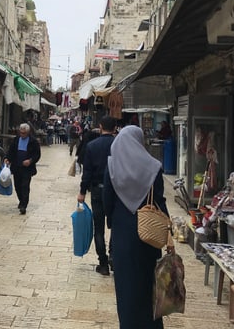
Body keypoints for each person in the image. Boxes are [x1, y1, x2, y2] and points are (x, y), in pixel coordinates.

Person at [103, 124, 173, 328]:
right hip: (148, 235)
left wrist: (114, 220)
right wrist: (167, 227)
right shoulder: (153, 166)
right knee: (148, 283)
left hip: (123, 235)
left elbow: (107, 200)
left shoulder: (112, 166)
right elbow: (159, 200)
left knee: (126, 286)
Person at [77, 115, 116, 276]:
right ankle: (114, 256)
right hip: (115, 192)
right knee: (116, 226)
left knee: (98, 228)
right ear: (115, 128)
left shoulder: (92, 146)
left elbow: (87, 172)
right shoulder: (119, 145)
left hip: (98, 191)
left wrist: (82, 191)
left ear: (100, 127)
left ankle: (103, 263)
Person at [4, 123, 41, 215]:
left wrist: (30, 160)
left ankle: (24, 205)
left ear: (28, 132)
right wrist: (7, 159)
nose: (22, 134)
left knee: (25, 186)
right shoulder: (16, 140)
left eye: (24, 133)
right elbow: (11, 151)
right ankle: (21, 201)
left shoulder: (33, 141)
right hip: (17, 167)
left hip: (27, 169)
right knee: (17, 186)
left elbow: (37, 154)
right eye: (21, 133)